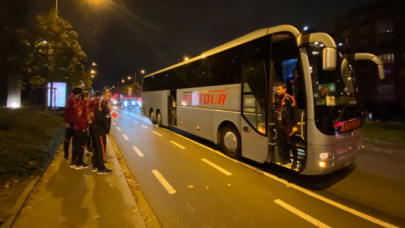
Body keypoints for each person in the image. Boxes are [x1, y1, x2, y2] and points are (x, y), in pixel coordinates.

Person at [274, 83, 299, 169]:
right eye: (277, 89)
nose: (277, 91)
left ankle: (295, 162)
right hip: (280, 123)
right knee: (283, 143)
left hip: (289, 124)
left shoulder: (290, 98)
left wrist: (295, 125)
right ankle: (286, 160)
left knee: (291, 143)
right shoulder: (277, 97)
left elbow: (295, 112)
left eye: (279, 89)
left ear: (285, 89)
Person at [93, 90, 113, 175]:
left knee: (98, 148)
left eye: (110, 96)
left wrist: (117, 116)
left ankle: (97, 165)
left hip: (102, 129)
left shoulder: (105, 105)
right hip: (100, 129)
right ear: (104, 95)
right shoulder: (100, 104)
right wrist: (105, 126)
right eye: (108, 96)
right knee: (102, 148)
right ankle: (101, 168)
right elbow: (99, 117)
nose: (109, 98)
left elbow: (110, 113)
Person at [72, 91, 91, 169]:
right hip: (80, 129)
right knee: (81, 146)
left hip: (79, 128)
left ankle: (75, 161)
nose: (89, 98)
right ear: (85, 97)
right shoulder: (80, 105)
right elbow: (78, 118)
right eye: (89, 96)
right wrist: (83, 128)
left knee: (77, 146)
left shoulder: (84, 104)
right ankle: (79, 163)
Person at [63, 87, 83, 160]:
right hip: (74, 123)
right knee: (74, 140)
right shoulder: (77, 101)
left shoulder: (68, 100)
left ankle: (66, 154)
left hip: (70, 122)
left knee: (68, 139)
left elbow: (65, 111)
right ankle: (72, 155)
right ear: (79, 93)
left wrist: (66, 121)